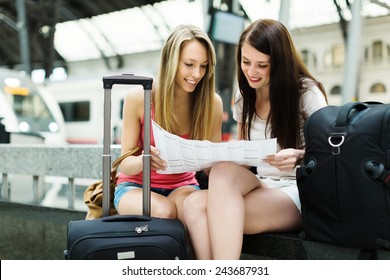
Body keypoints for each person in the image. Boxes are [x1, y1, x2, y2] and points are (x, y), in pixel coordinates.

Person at [183, 18, 328, 259]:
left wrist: (300, 157)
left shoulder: (306, 92)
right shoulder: (244, 95)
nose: (251, 72)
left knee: (205, 209)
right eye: (246, 61)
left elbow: (332, 156)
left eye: (262, 65)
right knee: (198, 197)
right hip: (261, 183)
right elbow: (245, 160)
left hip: (297, 191)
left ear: (280, 63)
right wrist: (216, 156)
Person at [114, 25, 223, 222]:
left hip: (183, 185)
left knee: (195, 211)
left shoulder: (212, 103)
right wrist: (143, 161)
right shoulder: (140, 98)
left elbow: (211, 166)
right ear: (170, 62)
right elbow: (125, 165)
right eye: (189, 64)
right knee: (165, 211)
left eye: (204, 66)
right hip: (135, 187)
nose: (197, 74)